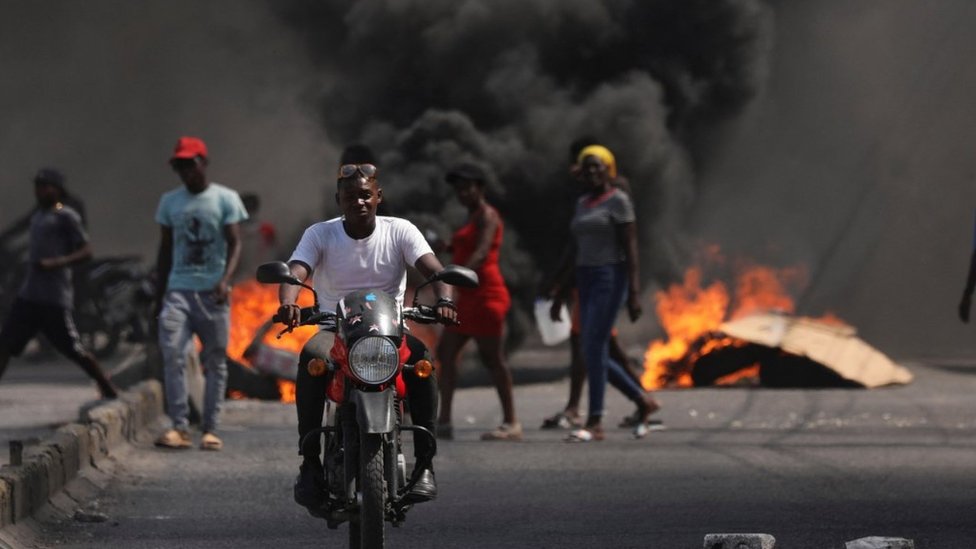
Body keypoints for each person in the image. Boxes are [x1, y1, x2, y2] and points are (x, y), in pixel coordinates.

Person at [279, 161, 457, 508]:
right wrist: (288, 302)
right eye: (350, 197)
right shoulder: (320, 234)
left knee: (423, 364)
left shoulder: (401, 230)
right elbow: (294, 272)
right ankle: (310, 464)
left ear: (378, 197)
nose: (358, 202)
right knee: (311, 359)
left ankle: (424, 465)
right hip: (335, 331)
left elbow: (434, 269)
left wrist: (446, 299)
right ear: (338, 200)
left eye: (365, 195)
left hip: (390, 332)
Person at [541, 140, 659, 431]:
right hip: (584, 277)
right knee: (591, 349)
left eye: (598, 166)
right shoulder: (582, 203)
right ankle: (640, 400)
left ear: (609, 170)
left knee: (593, 346)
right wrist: (559, 292)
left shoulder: (618, 200)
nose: (592, 172)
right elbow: (577, 250)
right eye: (587, 167)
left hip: (610, 277)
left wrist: (633, 292)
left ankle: (595, 419)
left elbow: (630, 248)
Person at [153, 136, 248, 451]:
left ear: (203, 163)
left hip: (213, 292)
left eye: (189, 164)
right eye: (179, 165)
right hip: (178, 290)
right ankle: (179, 427)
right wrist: (158, 293)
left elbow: (235, 242)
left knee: (216, 361)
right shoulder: (169, 202)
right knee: (174, 354)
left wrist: (225, 279)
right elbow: (165, 250)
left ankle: (211, 428)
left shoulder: (225, 199)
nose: (185, 171)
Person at [0, 168, 118, 398]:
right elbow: (20, 229)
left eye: (46, 186)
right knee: (5, 345)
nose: (41, 191)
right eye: (38, 186)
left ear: (57, 189)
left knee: (74, 349)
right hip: (29, 295)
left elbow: (86, 251)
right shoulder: (38, 216)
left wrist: (57, 262)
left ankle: (106, 385)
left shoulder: (67, 216)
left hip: (53, 297)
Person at [436, 163, 520, 441]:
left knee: (493, 359)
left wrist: (458, 273)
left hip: (486, 295)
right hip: (467, 296)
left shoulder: (487, 215)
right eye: (458, 189)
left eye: (467, 187)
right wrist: (445, 247)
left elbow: (482, 251)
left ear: (480, 188)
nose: (462, 193)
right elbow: (464, 246)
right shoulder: (471, 217)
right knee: (446, 354)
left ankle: (511, 423)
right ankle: (444, 421)